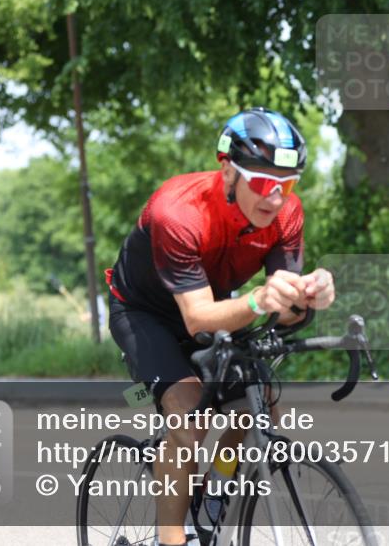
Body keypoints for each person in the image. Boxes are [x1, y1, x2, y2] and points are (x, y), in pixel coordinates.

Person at [106, 108, 336, 546]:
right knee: (189, 416)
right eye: (264, 183)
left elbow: (282, 308)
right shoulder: (178, 210)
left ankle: (214, 494)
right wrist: (258, 299)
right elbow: (196, 318)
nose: (275, 198)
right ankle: (170, 537)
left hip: (215, 306)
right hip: (144, 312)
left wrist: (307, 298)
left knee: (260, 399)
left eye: (286, 185)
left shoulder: (287, 215)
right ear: (228, 169)